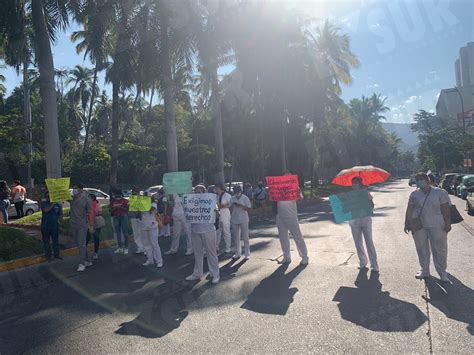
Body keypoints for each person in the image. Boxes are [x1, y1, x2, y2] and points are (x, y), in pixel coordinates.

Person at [404, 172, 452, 282]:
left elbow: (446, 208)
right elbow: (410, 209)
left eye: (422, 179)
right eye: (417, 179)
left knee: (440, 249)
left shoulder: (440, 192)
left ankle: (442, 273)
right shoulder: (414, 194)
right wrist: (407, 223)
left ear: (427, 180)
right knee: (421, 248)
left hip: (437, 224)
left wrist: (448, 223)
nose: (420, 181)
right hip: (419, 225)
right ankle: (424, 270)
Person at [185, 184, 220, 284]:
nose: (197, 193)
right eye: (195, 192)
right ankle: (197, 274)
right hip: (195, 230)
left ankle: (215, 274)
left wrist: (215, 211)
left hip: (208, 230)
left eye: (199, 191)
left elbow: (218, 215)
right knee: (197, 253)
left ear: (204, 192)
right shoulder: (191, 202)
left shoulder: (210, 201)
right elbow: (188, 214)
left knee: (211, 253)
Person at [275, 173, 309, 265]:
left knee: (297, 236)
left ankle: (304, 256)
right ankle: (286, 256)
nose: (285, 179)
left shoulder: (295, 188)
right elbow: (271, 199)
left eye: (287, 177)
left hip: (291, 216)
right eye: (284, 177)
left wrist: (297, 192)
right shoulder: (277, 188)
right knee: (283, 238)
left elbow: (300, 199)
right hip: (280, 216)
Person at [348, 177, 379, 272]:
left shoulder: (366, 193)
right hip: (354, 221)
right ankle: (363, 261)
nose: (354, 184)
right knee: (358, 243)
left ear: (360, 183)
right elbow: (345, 208)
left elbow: (372, 205)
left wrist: (366, 201)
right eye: (353, 182)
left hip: (365, 220)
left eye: (356, 182)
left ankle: (374, 265)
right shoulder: (349, 195)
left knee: (369, 242)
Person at [70, 183, 93, 272]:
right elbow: (60, 196)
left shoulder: (86, 199)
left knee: (81, 244)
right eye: (73, 188)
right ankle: (88, 260)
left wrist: (90, 225)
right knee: (80, 244)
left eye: (76, 188)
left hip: (82, 225)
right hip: (73, 224)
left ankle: (82, 263)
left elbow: (90, 212)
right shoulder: (72, 198)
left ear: (81, 189)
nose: (74, 190)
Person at [230, 185, 252, 260]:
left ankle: (247, 254)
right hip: (234, 219)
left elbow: (249, 209)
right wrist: (232, 206)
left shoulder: (245, 198)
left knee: (245, 237)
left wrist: (241, 206)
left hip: (244, 219)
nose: (236, 193)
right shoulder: (232, 198)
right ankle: (237, 253)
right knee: (236, 237)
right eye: (235, 191)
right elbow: (229, 208)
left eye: (237, 191)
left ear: (240, 191)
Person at [40, 191, 63, 261]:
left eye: (49, 196)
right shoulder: (44, 204)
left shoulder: (58, 205)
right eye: (47, 196)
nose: (48, 198)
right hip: (45, 226)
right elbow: (46, 210)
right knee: (46, 242)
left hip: (55, 226)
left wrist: (61, 223)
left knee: (55, 241)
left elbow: (60, 215)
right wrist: (53, 204)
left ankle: (56, 254)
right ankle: (48, 256)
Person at [140, 202, 163, 267]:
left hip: (153, 227)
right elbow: (135, 214)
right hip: (143, 226)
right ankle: (150, 260)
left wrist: (147, 206)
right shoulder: (138, 203)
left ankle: (159, 261)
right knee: (146, 245)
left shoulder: (153, 204)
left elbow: (155, 210)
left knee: (154, 244)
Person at [110, 189, 130, 254]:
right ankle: (120, 247)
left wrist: (121, 208)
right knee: (118, 232)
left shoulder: (125, 200)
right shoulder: (113, 201)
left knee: (125, 232)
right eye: (115, 195)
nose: (116, 196)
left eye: (117, 195)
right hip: (116, 216)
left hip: (123, 216)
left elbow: (127, 210)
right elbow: (110, 210)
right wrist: (114, 209)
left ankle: (126, 247)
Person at [215, 183, 232, 254]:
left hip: (225, 213)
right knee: (217, 231)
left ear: (221, 188)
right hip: (217, 215)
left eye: (217, 188)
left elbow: (230, 204)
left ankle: (228, 247)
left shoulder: (227, 195)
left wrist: (221, 206)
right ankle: (216, 246)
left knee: (226, 231)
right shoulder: (215, 196)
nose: (216, 189)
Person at [86, 194, 103, 259]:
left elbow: (101, 212)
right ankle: (86, 253)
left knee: (96, 238)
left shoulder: (97, 204)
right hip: (88, 223)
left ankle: (96, 252)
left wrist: (93, 214)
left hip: (95, 223)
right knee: (87, 238)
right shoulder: (86, 205)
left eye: (89, 198)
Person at [129, 189, 145, 255]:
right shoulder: (132, 199)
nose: (134, 194)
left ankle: (143, 247)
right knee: (136, 234)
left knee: (140, 233)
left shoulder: (141, 199)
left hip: (139, 218)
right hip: (134, 218)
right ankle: (140, 247)